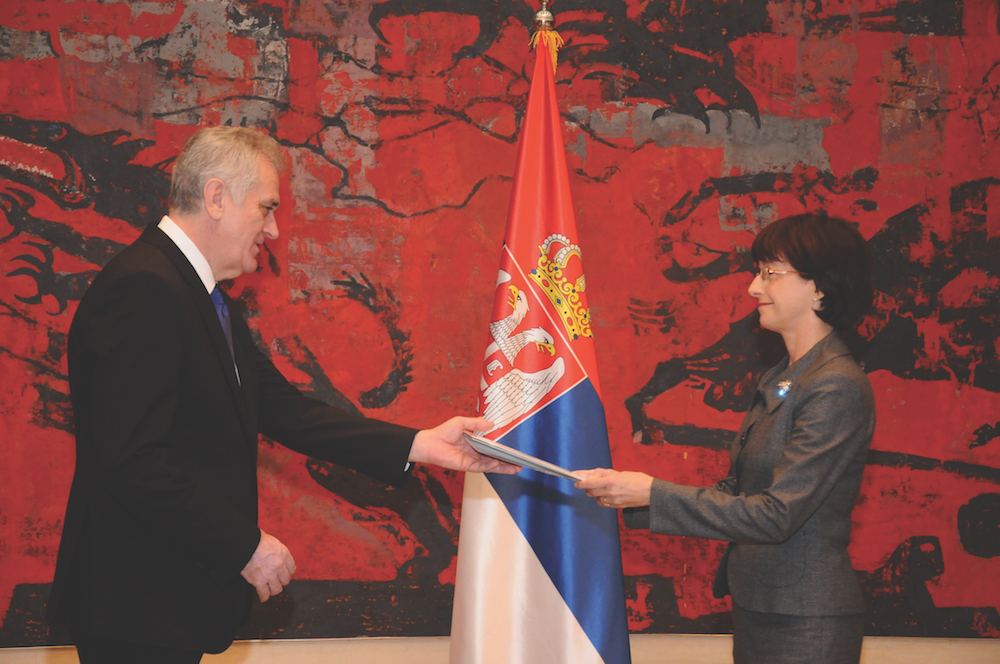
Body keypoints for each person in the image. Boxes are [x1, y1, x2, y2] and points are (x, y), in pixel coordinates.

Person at [48, 126, 518, 663]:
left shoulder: (198, 295)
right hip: (134, 605)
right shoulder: (146, 290)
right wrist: (242, 544)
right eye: (266, 208)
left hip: (163, 604)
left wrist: (422, 444)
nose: (273, 229)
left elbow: (287, 411)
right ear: (217, 197)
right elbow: (132, 460)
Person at [577, 213, 876, 664]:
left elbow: (776, 514)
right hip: (760, 605)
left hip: (805, 620)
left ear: (820, 287)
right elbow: (739, 491)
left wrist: (653, 493)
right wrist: (632, 495)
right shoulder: (782, 377)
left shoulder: (835, 385)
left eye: (770, 274)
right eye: (758, 273)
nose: (754, 289)